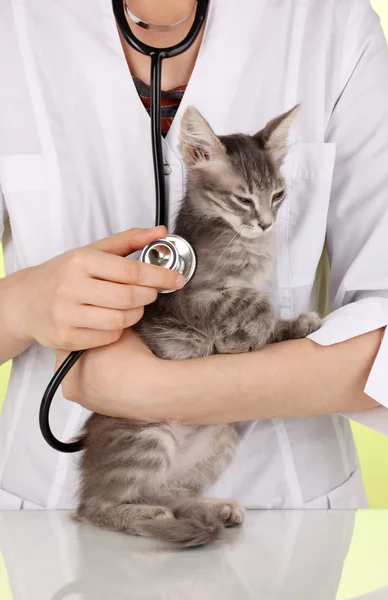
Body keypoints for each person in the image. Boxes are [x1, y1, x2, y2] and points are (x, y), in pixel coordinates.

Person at [0, 0, 387, 510]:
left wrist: (159, 391)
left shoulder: (330, 21)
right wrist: (22, 304)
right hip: (46, 507)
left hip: (283, 511)